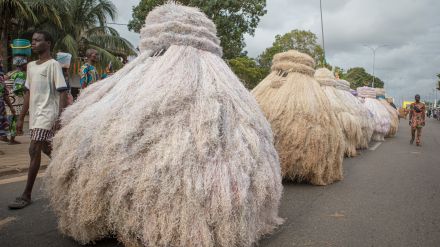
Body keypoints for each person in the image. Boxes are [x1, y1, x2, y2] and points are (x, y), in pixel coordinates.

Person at [8, 30, 68, 209]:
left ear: (48, 43)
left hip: (47, 114)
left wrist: (60, 116)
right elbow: (27, 94)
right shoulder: (32, 66)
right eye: (32, 40)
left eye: (37, 40)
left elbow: (62, 91)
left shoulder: (53, 65)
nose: (33, 43)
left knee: (34, 149)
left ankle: (26, 195)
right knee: (49, 151)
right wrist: (20, 118)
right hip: (35, 116)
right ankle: (70, 170)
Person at [0, 61, 17, 145]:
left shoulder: (2, 76)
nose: (2, 64)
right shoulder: (20, 74)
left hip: (3, 105)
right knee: (13, 119)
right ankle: (10, 138)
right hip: (16, 101)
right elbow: (5, 93)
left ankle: (5, 136)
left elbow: (5, 93)